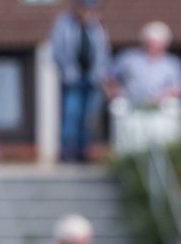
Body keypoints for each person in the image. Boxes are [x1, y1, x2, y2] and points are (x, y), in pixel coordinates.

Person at [49, 0, 111, 163]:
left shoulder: (97, 27)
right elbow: (58, 50)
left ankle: (83, 151)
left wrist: (100, 74)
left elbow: (103, 52)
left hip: (92, 79)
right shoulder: (64, 24)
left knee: (88, 117)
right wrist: (67, 70)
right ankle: (67, 151)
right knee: (71, 115)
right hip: (73, 79)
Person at [106, 21, 181, 109]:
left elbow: (180, 87)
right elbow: (110, 77)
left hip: (161, 108)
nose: (153, 45)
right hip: (131, 107)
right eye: (150, 41)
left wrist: (164, 96)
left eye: (156, 42)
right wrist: (115, 93)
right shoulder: (128, 58)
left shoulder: (172, 63)